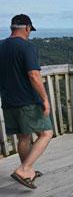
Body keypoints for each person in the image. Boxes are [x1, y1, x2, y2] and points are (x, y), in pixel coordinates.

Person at [0, 14, 53, 189]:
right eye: (30, 30)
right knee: (46, 133)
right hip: (27, 100)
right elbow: (33, 74)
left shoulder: (1, 46)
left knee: (24, 136)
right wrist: (45, 99)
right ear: (27, 28)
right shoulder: (27, 47)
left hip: (8, 101)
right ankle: (24, 169)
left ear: (11, 28)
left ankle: (27, 171)